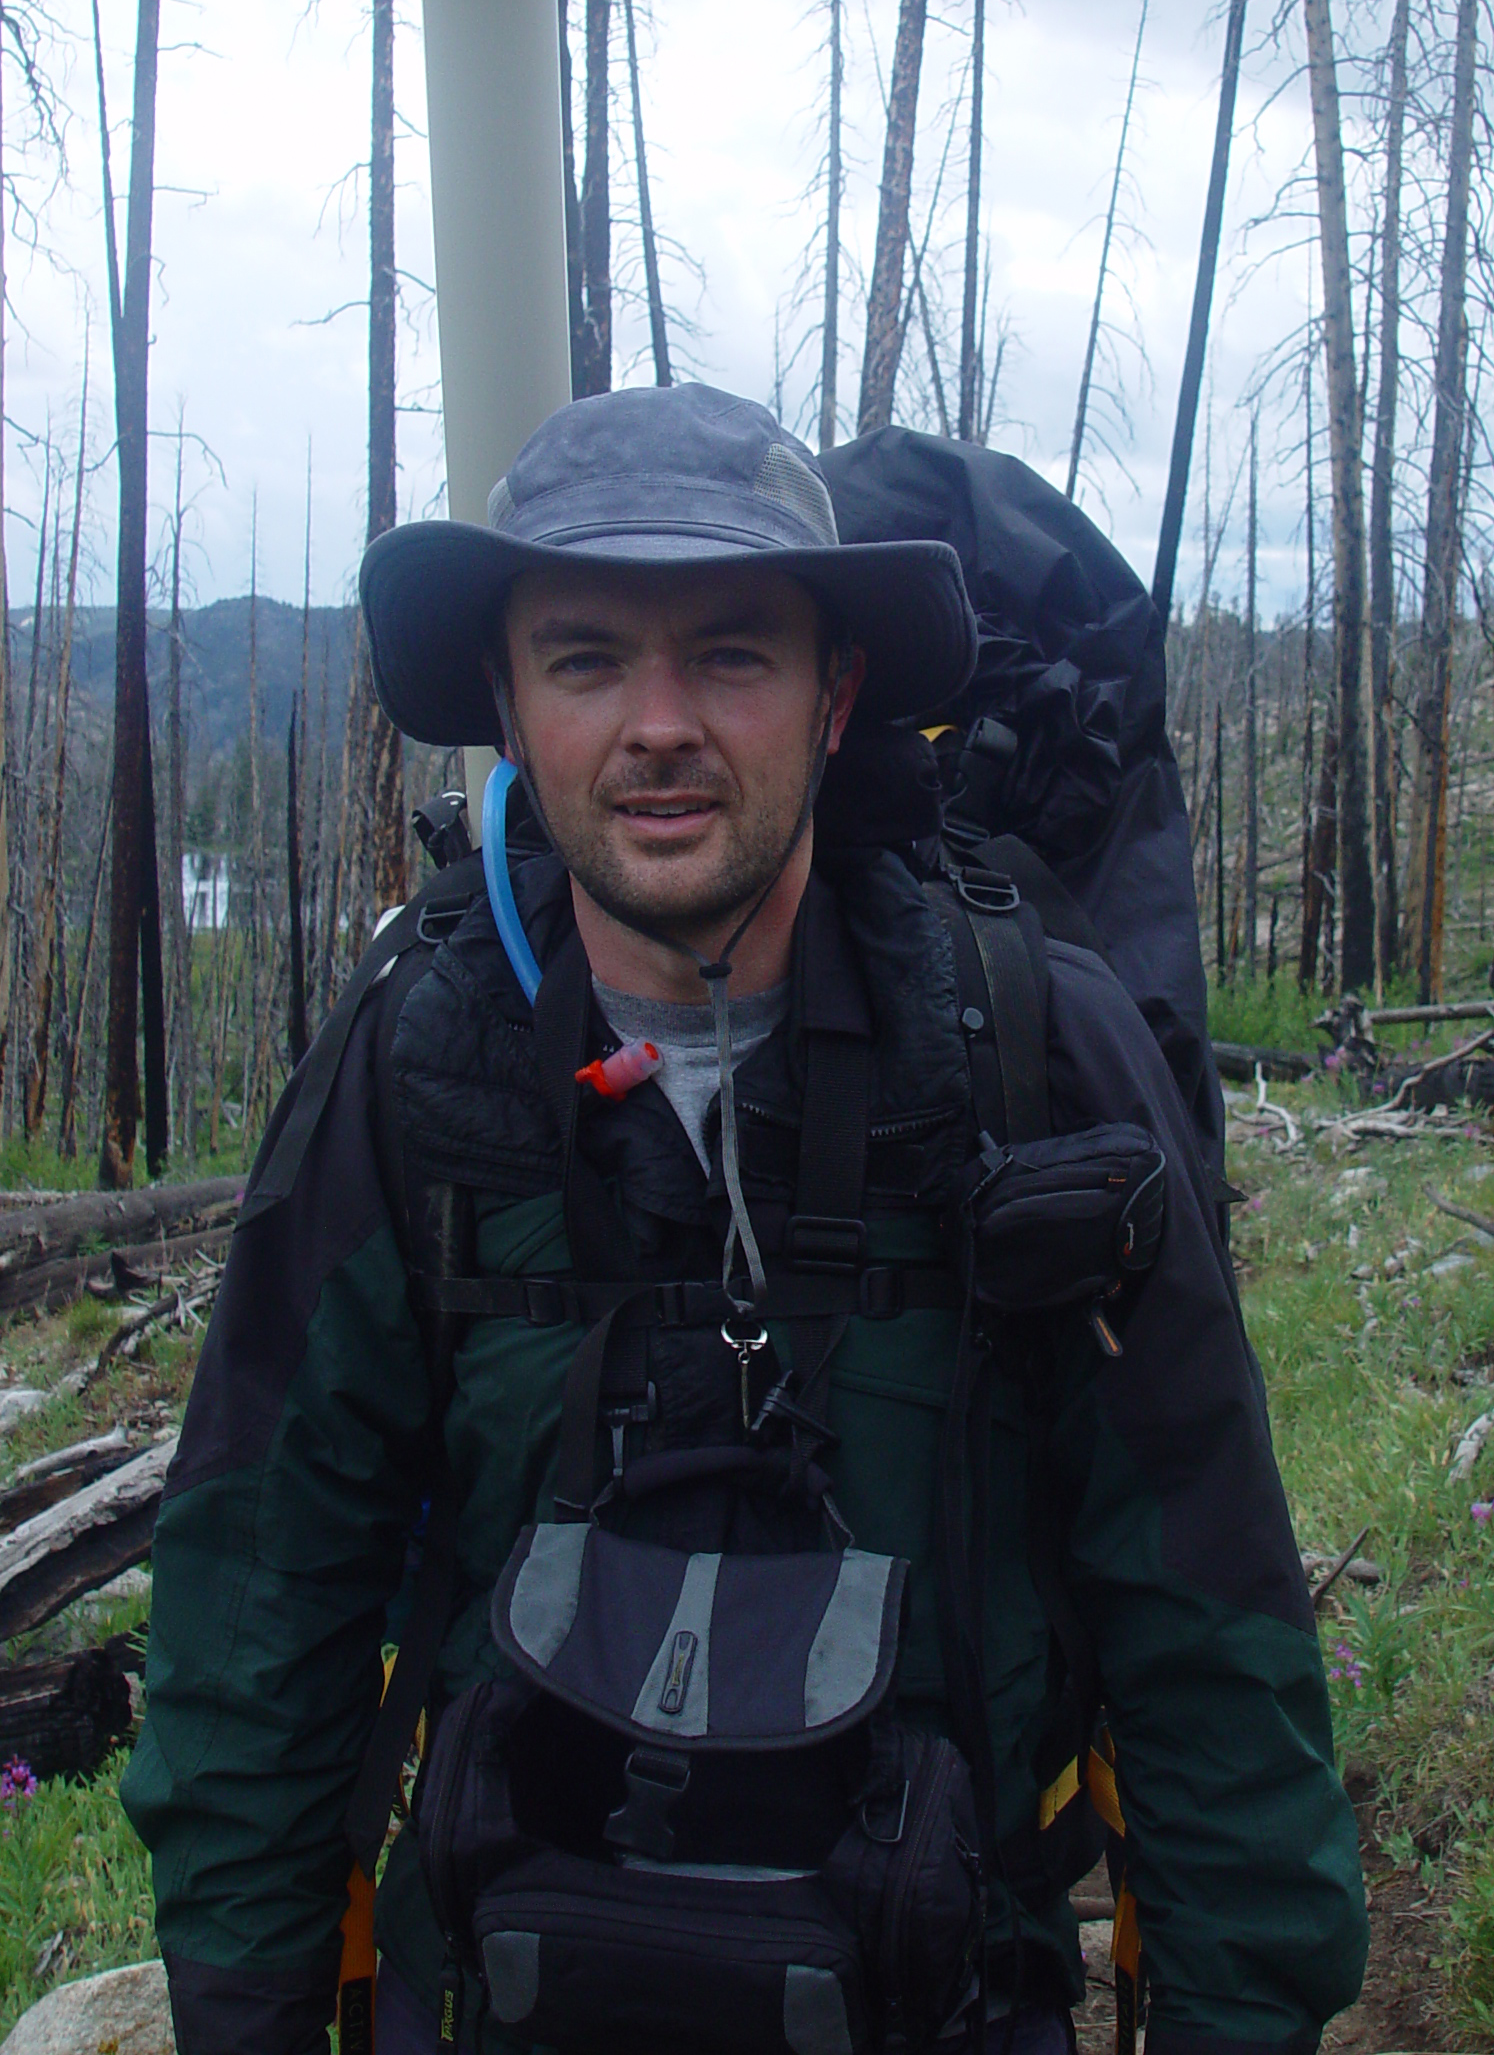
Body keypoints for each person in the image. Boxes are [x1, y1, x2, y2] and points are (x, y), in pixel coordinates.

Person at [123, 384, 1367, 2055]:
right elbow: (257, 1625)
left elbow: (1208, 1624)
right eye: (582, 658)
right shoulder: (416, 1070)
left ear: (838, 692)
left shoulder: (1027, 1057)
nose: (657, 725)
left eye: (730, 654)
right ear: (502, 697)